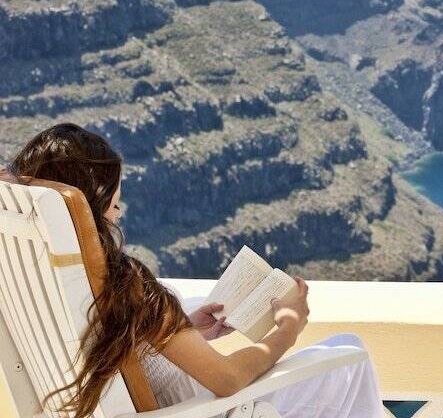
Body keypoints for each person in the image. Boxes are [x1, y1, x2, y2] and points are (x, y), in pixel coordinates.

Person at [6, 123, 385, 418]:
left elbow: (121, 341)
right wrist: (289, 326)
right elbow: (227, 379)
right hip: (203, 410)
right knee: (349, 351)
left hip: (169, 402)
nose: (119, 213)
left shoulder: (37, 277)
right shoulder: (126, 284)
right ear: (96, 205)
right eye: (115, 205)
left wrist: (180, 326)